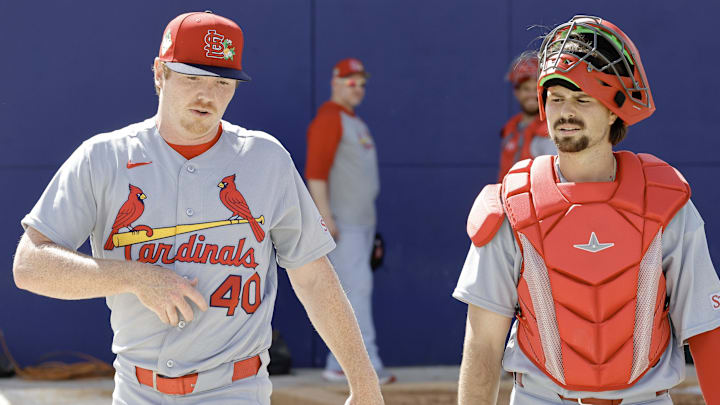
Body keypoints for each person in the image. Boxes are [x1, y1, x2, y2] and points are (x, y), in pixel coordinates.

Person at [12, 11, 384, 405]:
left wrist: (363, 383)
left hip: (234, 389)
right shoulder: (104, 157)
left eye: (222, 82)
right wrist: (136, 277)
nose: (207, 95)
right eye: (191, 78)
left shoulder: (266, 159)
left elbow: (313, 276)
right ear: (160, 73)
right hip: (138, 391)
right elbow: (30, 265)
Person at [454, 15, 720, 404]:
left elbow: (705, 328)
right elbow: (483, 343)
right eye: (556, 98)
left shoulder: (666, 202)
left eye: (583, 98)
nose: (566, 112)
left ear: (615, 109)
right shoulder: (512, 204)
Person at [305, 58, 394, 384]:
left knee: (355, 291)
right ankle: (357, 365)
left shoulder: (351, 120)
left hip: (359, 225)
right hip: (344, 224)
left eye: (362, 82)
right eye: (350, 81)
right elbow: (315, 173)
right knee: (354, 292)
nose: (358, 88)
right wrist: (326, 218)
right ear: (335, 83)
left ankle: (342, 362)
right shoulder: (330, 118)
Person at [498, 53, 556, 182]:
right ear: (516, 93)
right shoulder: (511, 128)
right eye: (526, 89)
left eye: (535, 89)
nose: (531, 94)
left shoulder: (551, 131)